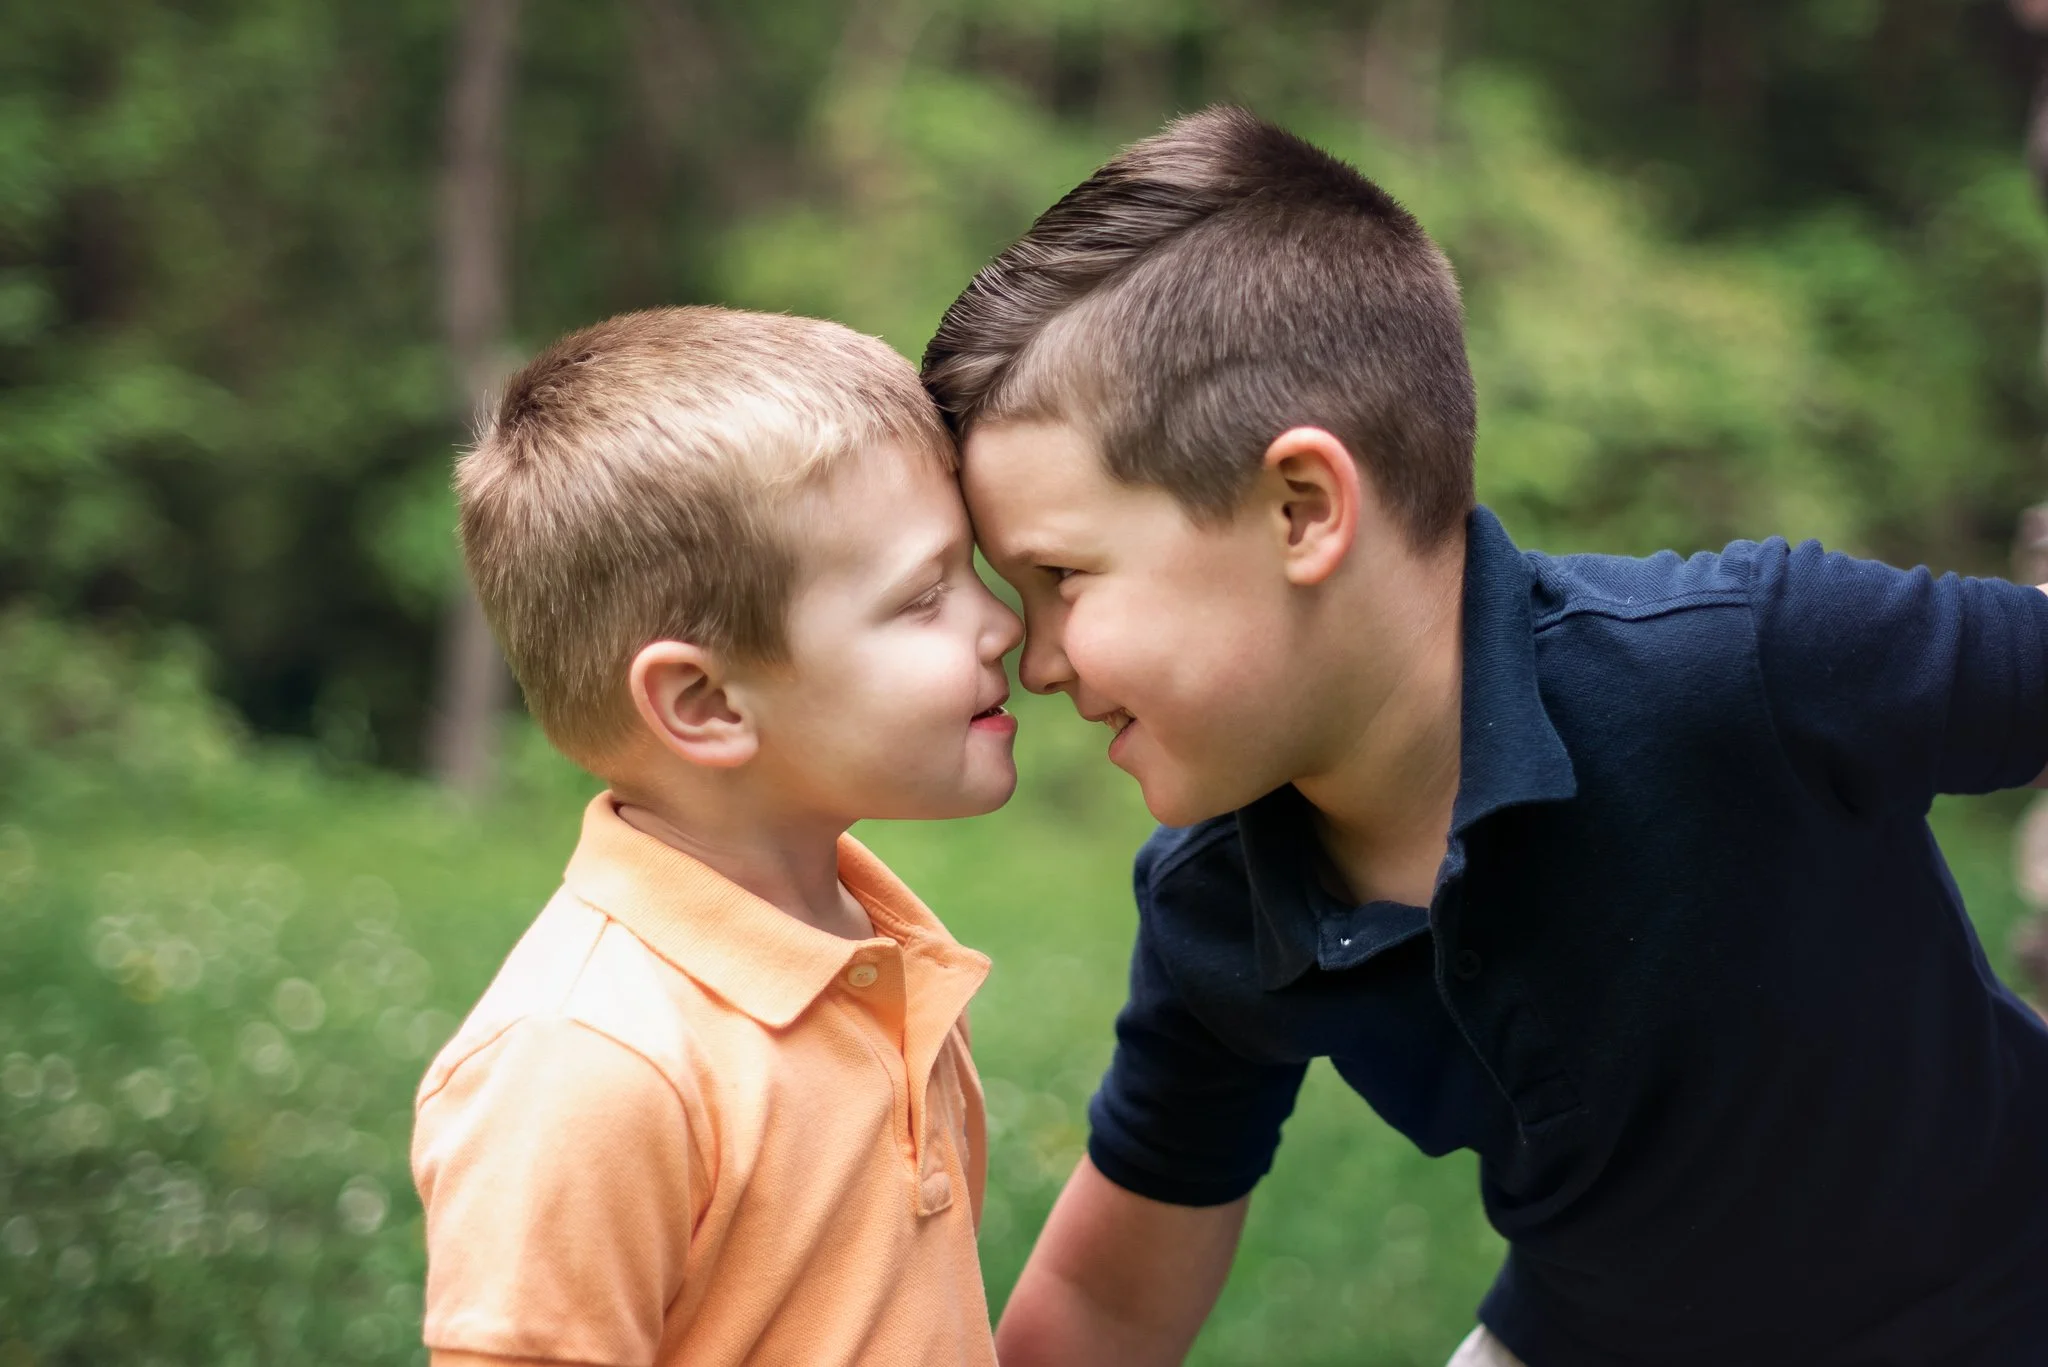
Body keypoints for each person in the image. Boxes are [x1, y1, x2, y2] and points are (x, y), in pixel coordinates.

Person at [922, 107, 2048, 1367]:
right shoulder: (1225, 905)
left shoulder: (1737, 660)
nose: (1038, 658)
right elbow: (1110, 1300)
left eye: (1061, 577)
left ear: (1301, 508)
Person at [411, 306, 1022, 1367]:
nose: (1001, 620)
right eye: (923, 596)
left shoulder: (877, 952)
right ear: (703, 701)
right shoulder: (590, 1060)